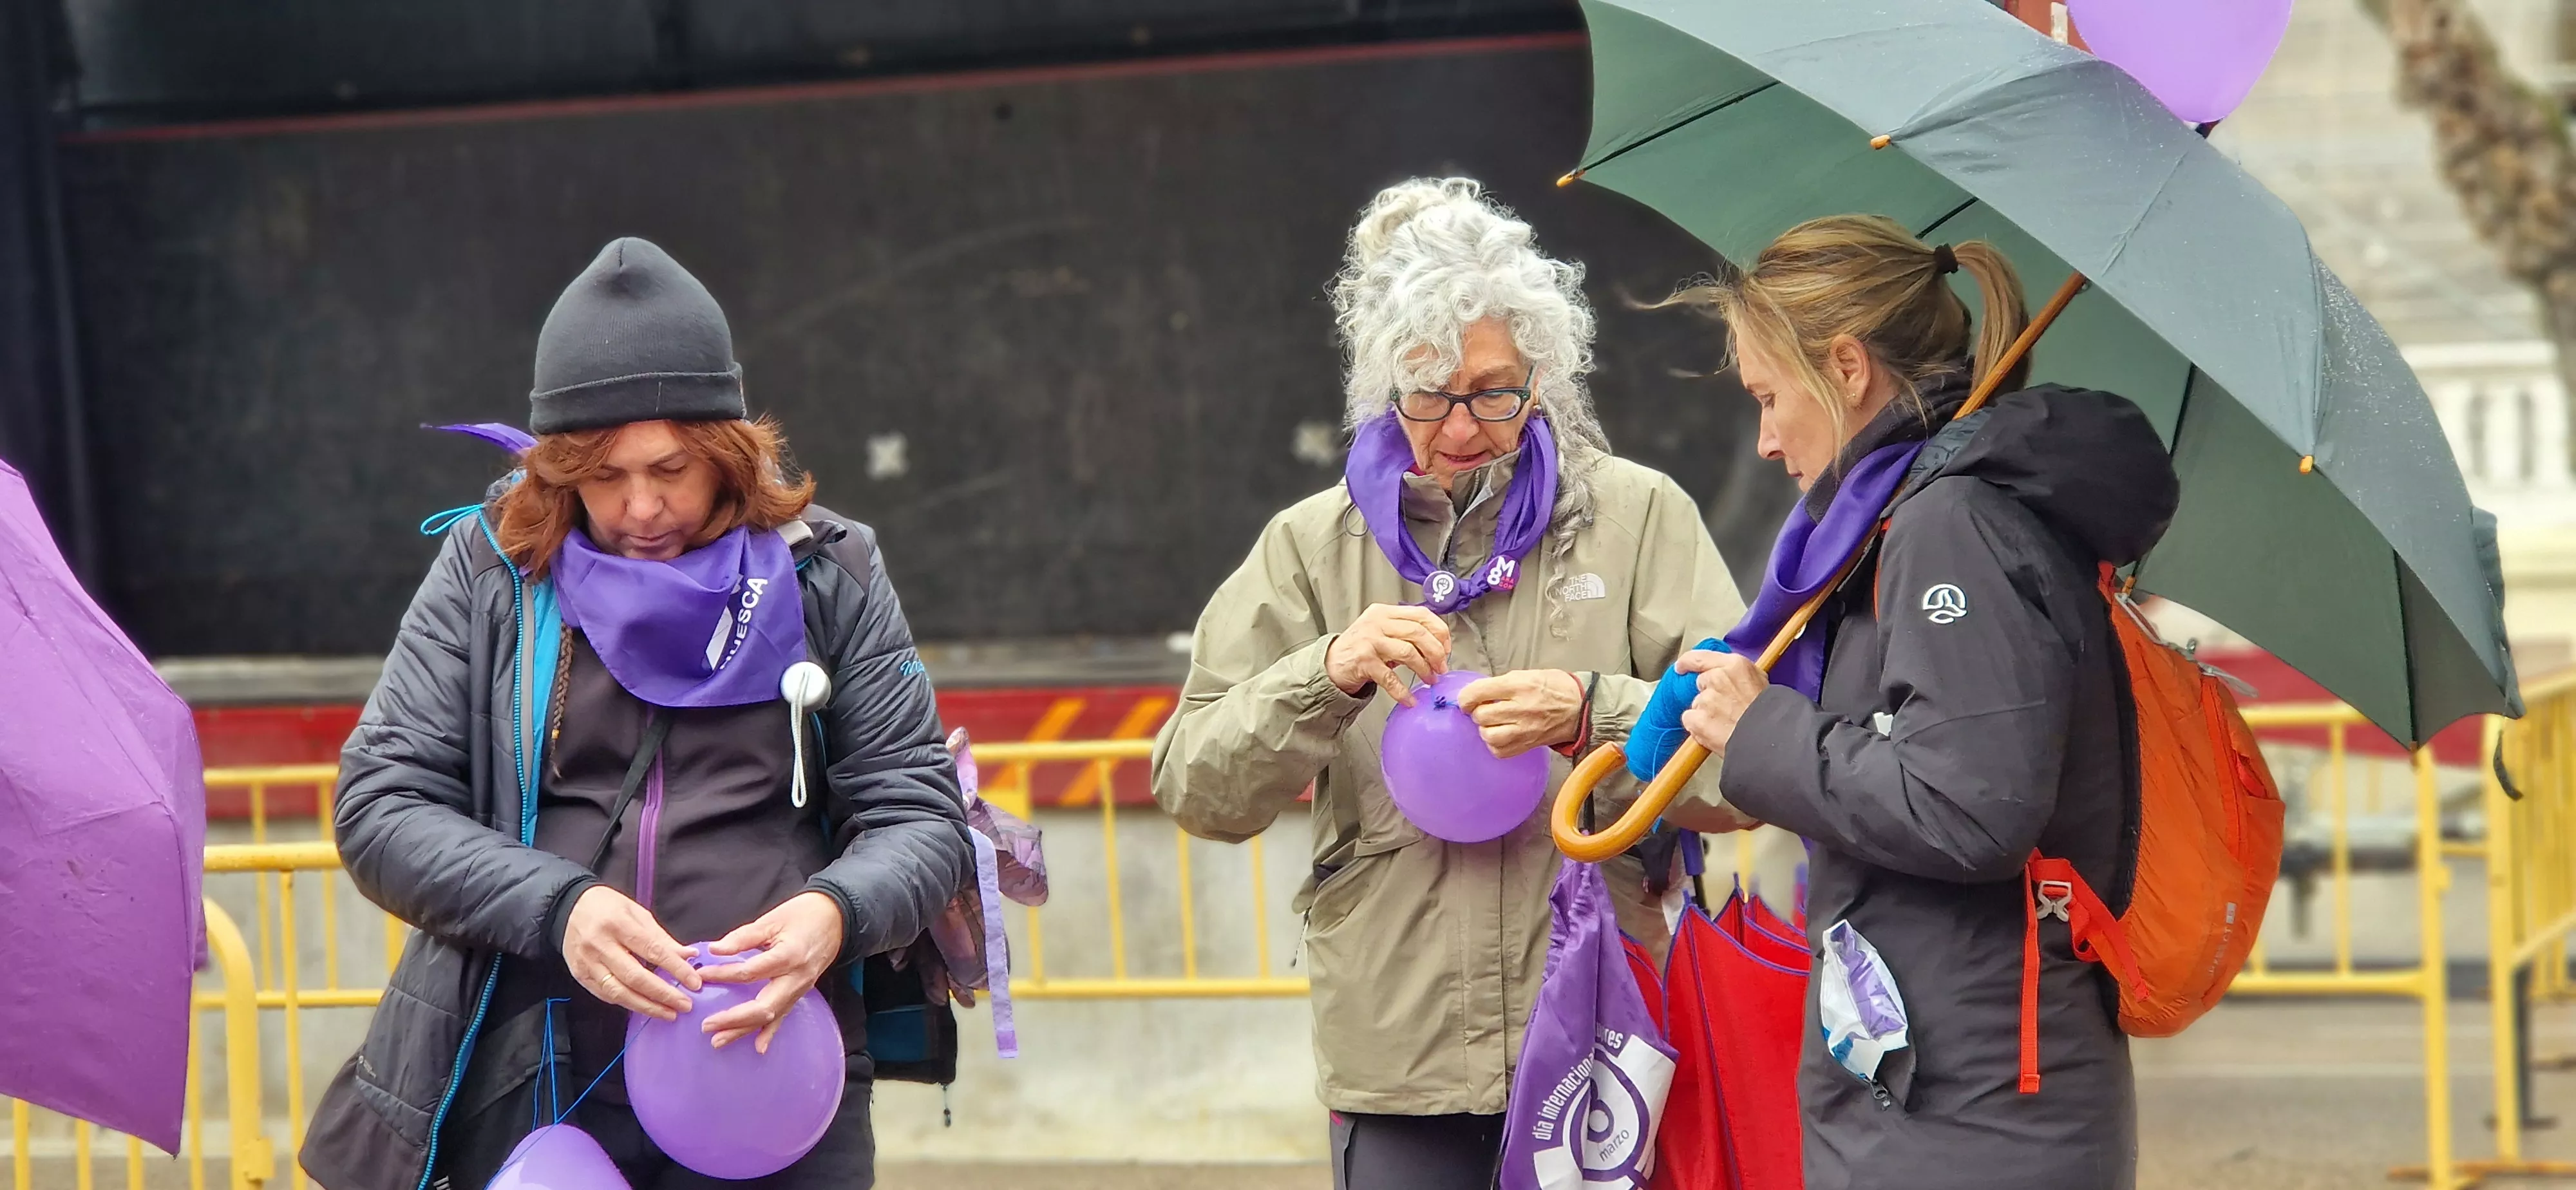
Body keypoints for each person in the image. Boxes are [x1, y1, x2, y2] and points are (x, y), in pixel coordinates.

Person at [299, 238, 972, 1190]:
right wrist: (558, 908)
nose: (642, 508)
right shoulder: (491, 570)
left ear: (728, 456)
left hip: (775, 1075)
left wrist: (837, 910)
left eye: (671, 469)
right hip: (539, 1075)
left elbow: (919, 810)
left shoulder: (829, 570)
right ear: (559, 469)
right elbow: (380, 804)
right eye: (605, 477)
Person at [1149, 177, 1752, 1190]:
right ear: (1383, 384)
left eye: (1493, 391)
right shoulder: (1312, 545)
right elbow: (1195, 785)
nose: (1462, 425)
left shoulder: (1640, 518)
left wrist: (1594, 713)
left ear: (1542, 374)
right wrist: (1324, 674)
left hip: (1604, 1031)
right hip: (1398, 1052)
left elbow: (1748, 765)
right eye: (1426, 393)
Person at [1672, 214, 2181, 1189]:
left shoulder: (1949, 525)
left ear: (1848, 367)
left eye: (1771, 399)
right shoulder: (1924, 512)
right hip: (1952, 1082)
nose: (1768, 441)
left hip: (1972, 1106)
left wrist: (1764, 729)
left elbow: (1971, 804)